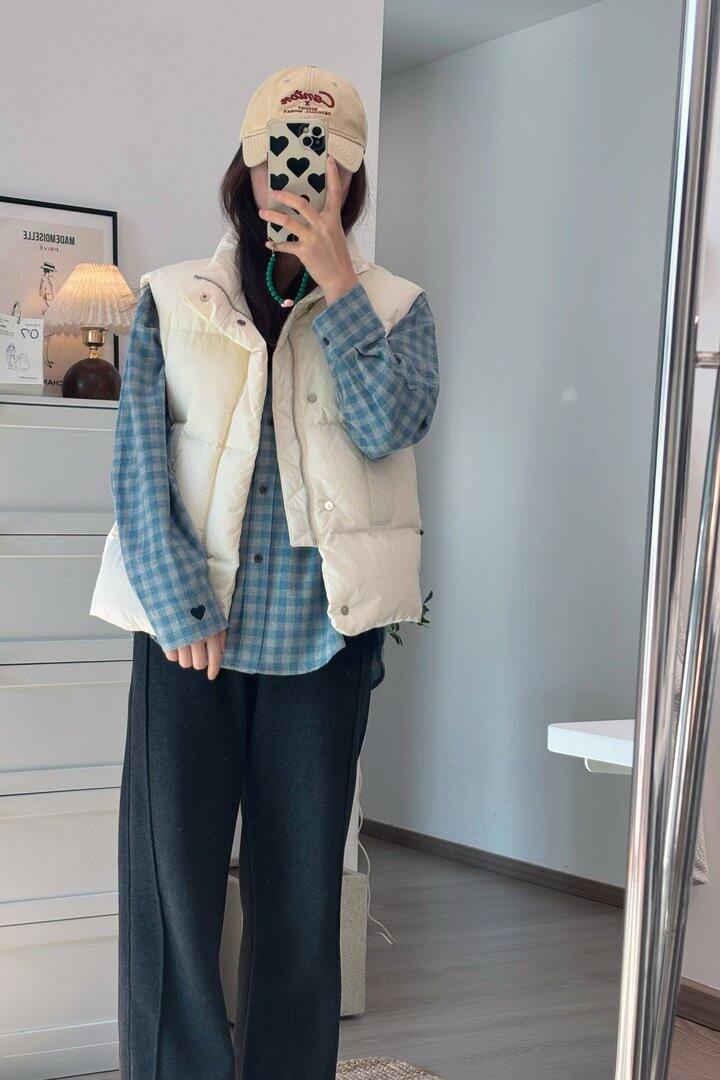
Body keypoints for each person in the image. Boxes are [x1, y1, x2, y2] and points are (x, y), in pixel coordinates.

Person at [93, 64, 440, 1080]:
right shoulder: (171, 297)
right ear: (245, 168)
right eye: (279, 156)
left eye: (322, 162)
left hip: (322, 643)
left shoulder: (396, 306)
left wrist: (342, 290)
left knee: (300, 905)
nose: (298, 179)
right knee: (173, 902)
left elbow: (389, 428)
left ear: (352, 177)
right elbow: (138, 461)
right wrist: (175, 603)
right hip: (187, 642)